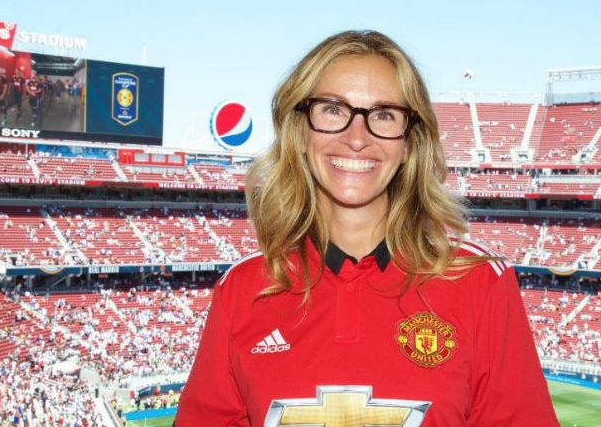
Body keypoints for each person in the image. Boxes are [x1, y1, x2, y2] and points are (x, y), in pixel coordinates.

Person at [175, 30, 558, 427]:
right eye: (333, 110)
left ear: (410, 143)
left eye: (384, 115)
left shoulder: (481, 283)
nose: (357, 138)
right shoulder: (242, 290)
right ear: (300, 131)